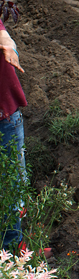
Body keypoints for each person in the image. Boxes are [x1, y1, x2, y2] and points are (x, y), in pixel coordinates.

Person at [0, 16, 26, 252]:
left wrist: (9, 46)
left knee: (14, 185)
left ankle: (12, 250)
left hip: (6, 117)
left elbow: (5, 37)